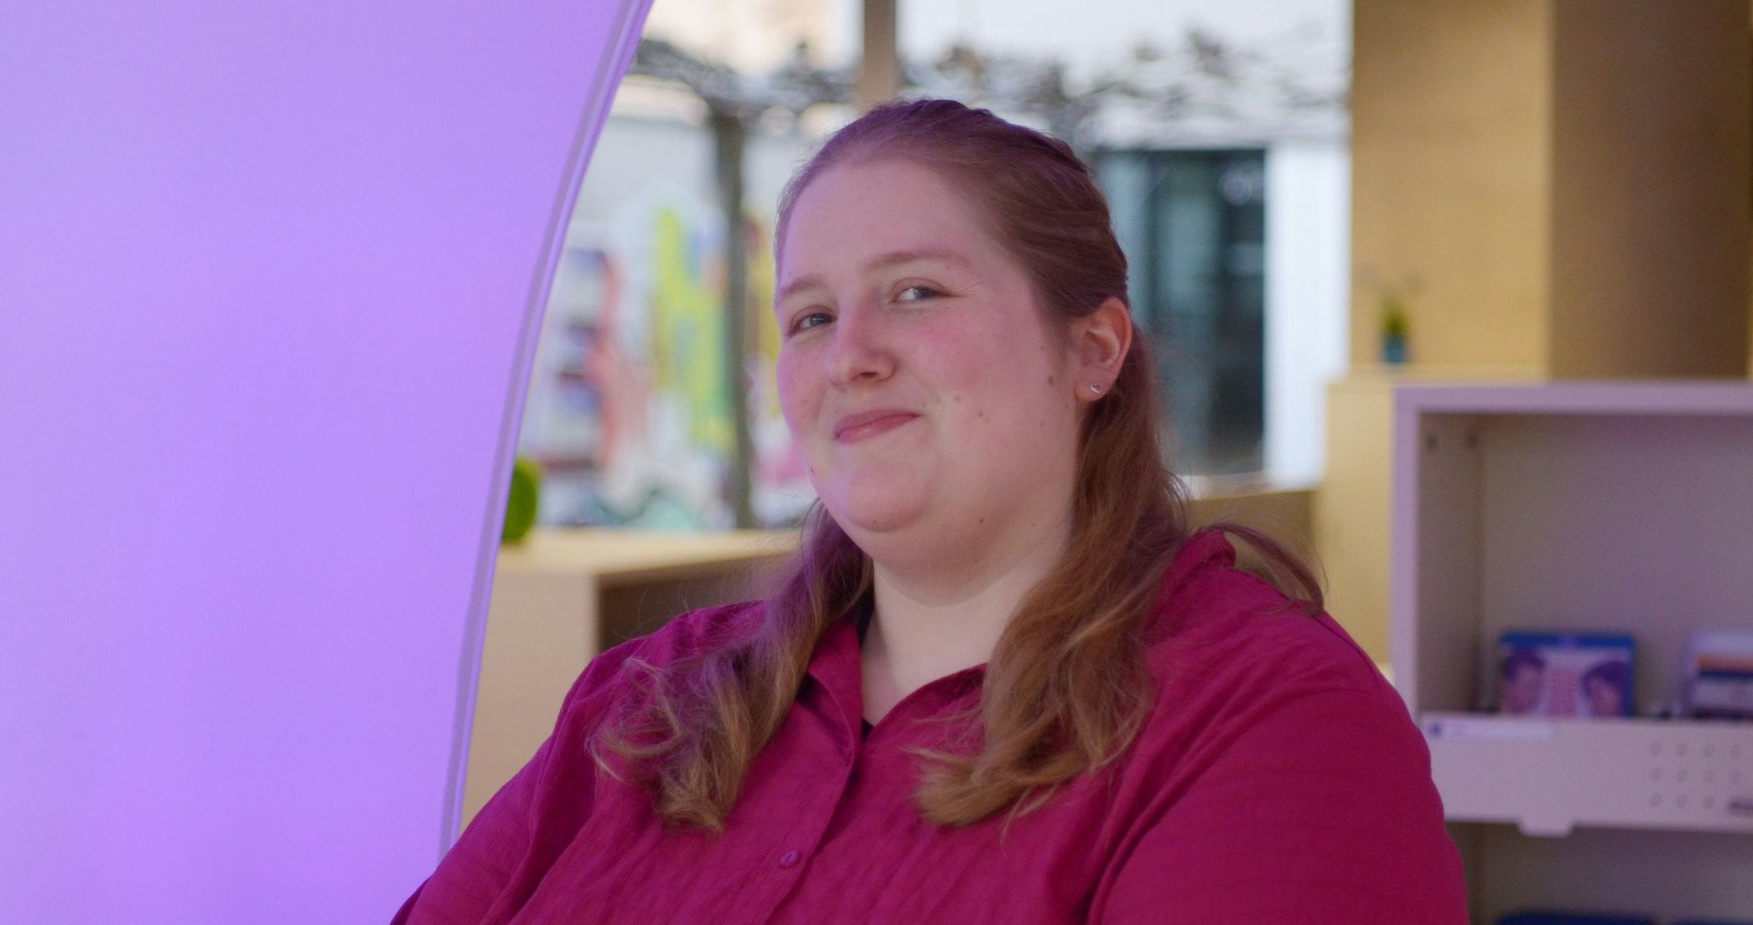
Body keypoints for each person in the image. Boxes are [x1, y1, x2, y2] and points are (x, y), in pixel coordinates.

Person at [394, 99, 1466, 924]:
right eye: (810, 316)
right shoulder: (647, 708)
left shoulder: (1264, 721)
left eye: (915, 292)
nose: (849, 356)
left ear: (1091, 349)